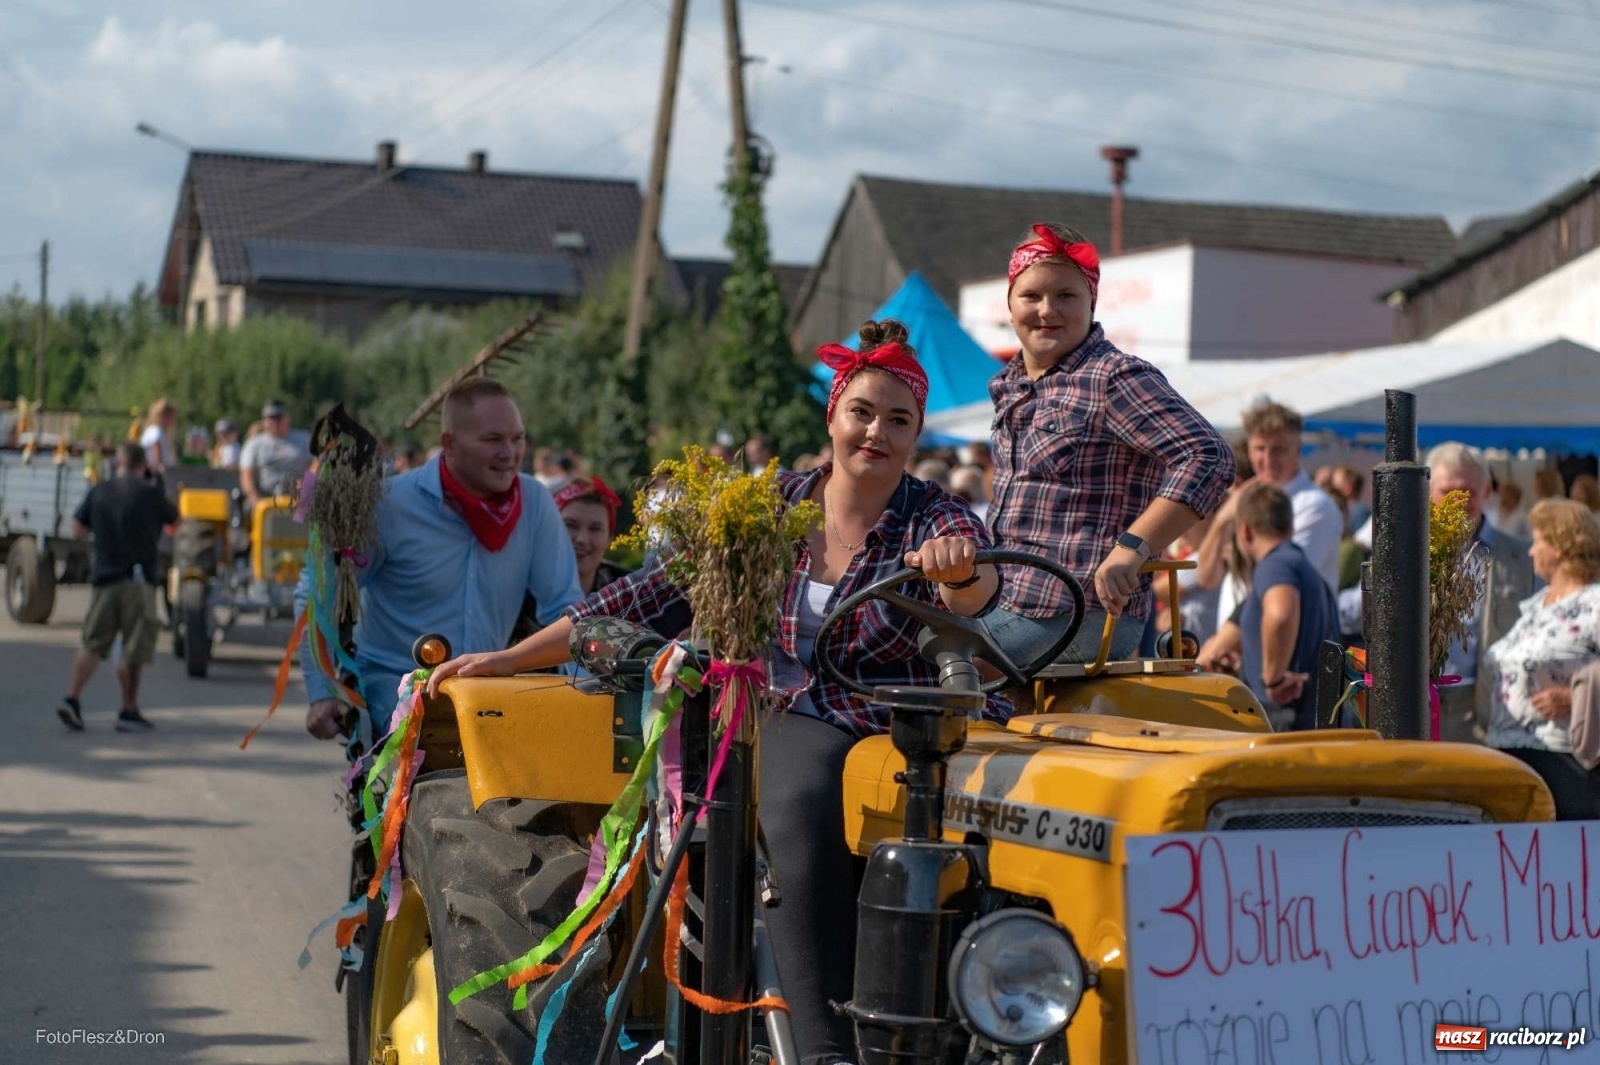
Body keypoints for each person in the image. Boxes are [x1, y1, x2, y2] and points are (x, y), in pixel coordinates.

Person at [427, 319, 1004, 1065]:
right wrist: (509, 658)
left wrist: (958, 570)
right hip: (800, 716)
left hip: (907, 727)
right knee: (797, 797)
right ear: (832, 416)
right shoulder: (774, 511)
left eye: (899, 419)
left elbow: (978, 589)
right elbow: (646, 596)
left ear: (918, 432)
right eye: (862, 411)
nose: (877, 432)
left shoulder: (935, 517)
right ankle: (826, 1047)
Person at [984, 222, 1235, 663]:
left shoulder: (1112, 376)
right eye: (1032, 296)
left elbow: (1208, 456)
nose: (1047, 310)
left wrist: (1133, 547)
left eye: (1066, 296)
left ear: (1091, 303)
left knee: (925, 660)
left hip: (1078, 615)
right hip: (1007, 602)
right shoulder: (1008, 383)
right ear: (1010, 303)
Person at [301, 378, 584, 742]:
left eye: (518, 439)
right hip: (396, 701)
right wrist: (323, 692)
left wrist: (596, 685)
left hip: (488, 700)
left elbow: (565, 607)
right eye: (492, 439)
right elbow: (319, 595)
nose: (510, 453)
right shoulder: (389, 504)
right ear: (448, 444)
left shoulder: (534, 502)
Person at [1483, 498, 1600, 819]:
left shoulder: (1593, 603)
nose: (1531, 551)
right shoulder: (1535, 605)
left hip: (1564, 762)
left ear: (1560, 546)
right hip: (1507, 753)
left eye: (1537, 542)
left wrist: (1576, 695)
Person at [56, 442, 178, 732]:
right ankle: (128, 709)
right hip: (139, 582)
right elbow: (176, 522)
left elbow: (77, 527)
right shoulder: (151, 494)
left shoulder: (99, 491)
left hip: (105, 579)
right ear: (142, 465)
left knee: (92, 643)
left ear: (118, 463)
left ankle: (72, 698)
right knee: (133, 650)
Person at [1197, 483, 1338, 731]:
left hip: (1285, 724)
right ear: (1289, 526)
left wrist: (1273, 679)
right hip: (1300, 723)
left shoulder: (1276, 564)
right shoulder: (1297, 563)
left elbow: (1281, 613)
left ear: (1245, 532)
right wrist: (1243, 667)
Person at [1197, 401, 1342, 635]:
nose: (1268, 458)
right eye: (1260, 448)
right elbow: (1207, 578)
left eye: (1279, 449)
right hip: (1243, 644)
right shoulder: (1245, 501)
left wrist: (1220, 644)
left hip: (1288, 649)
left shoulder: (1314, 505)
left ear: (1298, 449)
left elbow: (1281, 583)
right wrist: (1223, 520)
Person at [239, 400, 312, 508]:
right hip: (264, 497)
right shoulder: (254, 444)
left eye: (279, 418)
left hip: (299, 497)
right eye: (271, 418)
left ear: (288, 418)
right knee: (246, 509)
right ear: (264, 421)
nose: (275, 422)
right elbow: (246, 476)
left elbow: (317, 464)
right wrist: (255, 499)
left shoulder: (304, 440)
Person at [139, 398, 178, 474]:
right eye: (167, 416)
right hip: (155, 476)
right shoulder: (156, 432)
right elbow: (158, 462)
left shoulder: (158, 433)